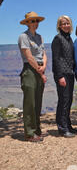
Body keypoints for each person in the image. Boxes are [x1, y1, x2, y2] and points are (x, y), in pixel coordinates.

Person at [18, 12, 48, 142]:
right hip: (30, 70)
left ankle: (37, 130)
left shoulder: (40, 37)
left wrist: (44, 66)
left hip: (40, 68)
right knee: (30, 102)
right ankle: (29, 133)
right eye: (32, 21)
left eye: (36, 21)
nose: (35, 23)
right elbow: (29, 56)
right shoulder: (23, 37)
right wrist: (40, 71)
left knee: (37, 101)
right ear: (27, 23)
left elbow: (44, 54)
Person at [51, 15, 76, 138]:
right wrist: (59, 76)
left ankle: (67, 125)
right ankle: (62, 128)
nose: (66, 25)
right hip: (62, 74)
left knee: (69, 100)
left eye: (68, 23)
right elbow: (56, 59)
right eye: (63, 24)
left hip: (70, 73)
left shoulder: (69, 38)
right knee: (64, 100)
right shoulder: (58, 39)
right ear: (59, 26)